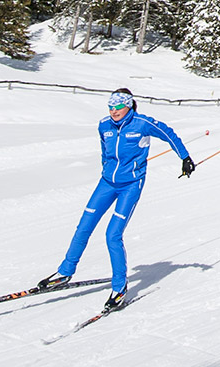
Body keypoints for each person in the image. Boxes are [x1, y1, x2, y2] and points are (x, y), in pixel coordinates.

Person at [38, 88, 194, 313]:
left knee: (112, 234)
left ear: (129, 106)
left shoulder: (142, 123)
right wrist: (106, 168)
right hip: (107, 183)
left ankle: (119, 288)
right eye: (110, 107)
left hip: (130, 185)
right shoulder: (104, 125)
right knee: (84, 226)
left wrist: (185, 157)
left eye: (118, 107)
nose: (113, 111)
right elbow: (104, 150)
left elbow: (169, 133)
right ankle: (65, 272)